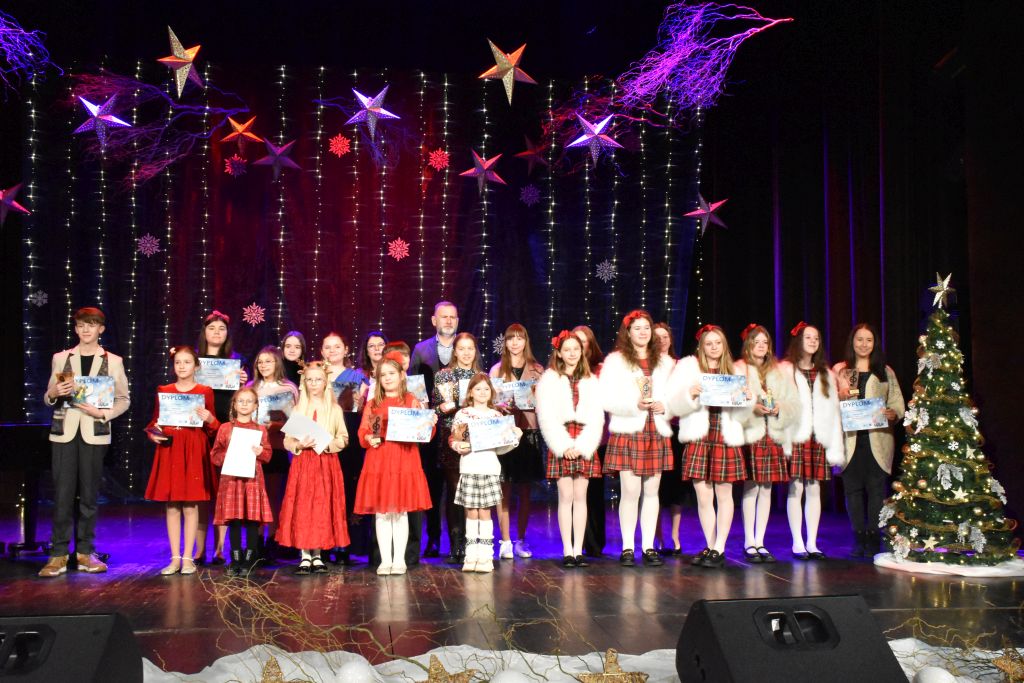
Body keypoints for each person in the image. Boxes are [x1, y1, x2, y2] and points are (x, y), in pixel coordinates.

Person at [39, 307, 130, 577]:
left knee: (89, 495)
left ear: (101, 329)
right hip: (64, 432)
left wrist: (103, 413)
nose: (86, 329)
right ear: (76, 329)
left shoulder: (113, 361)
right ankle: (58, 554)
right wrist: (54, 391)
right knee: (63, 494)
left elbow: (123, 399)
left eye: (91, 325)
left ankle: (84, 552)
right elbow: (48, 397)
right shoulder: (62, 358)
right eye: (81, 325)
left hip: (94, 432)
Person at [667, 324, 753, 569]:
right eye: (709, 343)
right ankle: (711, 545)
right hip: (699, 436)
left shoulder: (735, 371)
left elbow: (743, 415)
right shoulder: (689, 368)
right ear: (701, 346)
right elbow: (673, 406)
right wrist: (690, 394)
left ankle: (719, 547)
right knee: (703, 496)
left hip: (724, 435)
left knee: (724, 495)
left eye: (718, 343)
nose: (714, 347)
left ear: (724, 345)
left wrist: (747, 400)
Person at [599, 310, 674, 567]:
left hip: (656, 429)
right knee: (630, 491)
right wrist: (635, 405)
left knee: (652, 492)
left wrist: (666, 405)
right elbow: (606, 398)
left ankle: (649, 546)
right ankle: (628, 547)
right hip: (629, 430)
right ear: (628, 333)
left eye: (646, 327)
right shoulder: (615, 361)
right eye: (637, 328)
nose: (643, 332)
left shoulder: (665, 362)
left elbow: (675, 396)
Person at [355, 352, 435, 575]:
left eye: (391, 373)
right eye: (383, 375)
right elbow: (363, 432)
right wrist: (368, 438)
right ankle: (385, 560)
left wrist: (429, 423)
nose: (387, 378)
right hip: (379, 461)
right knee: (382, 513)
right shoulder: (373, 403)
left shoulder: (411, 400)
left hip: (404, 460)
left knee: (400, 512)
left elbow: (425, 433)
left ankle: (399, 559)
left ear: (401, 375)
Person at [144, 346, 220, 576]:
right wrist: (153, 433)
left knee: (190, 504)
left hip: (194, 448)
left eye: (187, 362)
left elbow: (214, 428)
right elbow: (155, 422)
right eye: (178, 362)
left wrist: (210, 418)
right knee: (172, 504)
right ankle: (175, 558)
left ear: (196, 366)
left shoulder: (205, 391)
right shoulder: (164, 390)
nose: (182, 366)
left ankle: (188, 558)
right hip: (171, 448)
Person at [833, 323, 905, 558]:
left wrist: (893, 413)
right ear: (852, 342)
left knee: (876, 491)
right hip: (850, 439)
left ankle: (874, 537)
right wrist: (839, 396)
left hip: (878, 439)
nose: (864, 344)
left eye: (869, 340)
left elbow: (897, 403)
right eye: (859, 339)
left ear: (875, 344)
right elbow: (827, 404)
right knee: (852, 491)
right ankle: (859, 537)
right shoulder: (841, 370)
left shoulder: (884, 371)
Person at [536, 331, 604, 568]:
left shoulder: (591, 380)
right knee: (565, 496)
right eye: (567, 350)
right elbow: (546, 416)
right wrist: (563, 445)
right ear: (559, 353)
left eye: (576, 349)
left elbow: (597, 417)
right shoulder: (550, 380)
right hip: (562, 439)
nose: (572, 353)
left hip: (583, 440)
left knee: (580, 496)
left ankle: (578, 550)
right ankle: (567, 550)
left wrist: (583, 446)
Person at [276, 362, 350, 574]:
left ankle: (317, 554)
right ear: (304, 383)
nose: (314, 383)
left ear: (325, 382)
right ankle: (304, 555)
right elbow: (287, 440)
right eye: (310, 380)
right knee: (303, 505)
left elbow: (343, 438)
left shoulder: (334, 409)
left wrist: (328, 444)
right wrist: (298, 445)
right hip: (304, 464)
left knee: (321, 506)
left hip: (325, 463)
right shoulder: (298, 409)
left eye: (318, 379)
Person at [781, 322, 844, 560]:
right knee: (796, 487)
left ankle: (812, 542)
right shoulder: (786, 371)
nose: (812, 341)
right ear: (798, 341)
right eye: (808, 337)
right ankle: (797, 541)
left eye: (816, 338)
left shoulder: (826, 373)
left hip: (818, 437)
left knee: (815, 488)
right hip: (797, 436)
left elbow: (833, 410)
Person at [735, 324, 798, 564]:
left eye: (765, 342)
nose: (761, 346)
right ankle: (749, 541)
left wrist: (780, 407)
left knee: (767, 488)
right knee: (751, 487)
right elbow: (733, 402)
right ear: (748, 344)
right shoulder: (739, 369)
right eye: (756, 341)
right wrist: (752, 408)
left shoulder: (778, 372)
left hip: (772, 434)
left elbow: (793, 403)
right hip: (752, 433)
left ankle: (760, 541)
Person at [448, 373, 522, 572]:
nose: (482, 392)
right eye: (478, 388)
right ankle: (471, 556)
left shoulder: (496, 416)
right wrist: (457, 446)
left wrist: (515, 438)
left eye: (486, 389)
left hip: (489, 468)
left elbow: (501, 448)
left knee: (485, 511)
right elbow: (454, 439)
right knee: (471, 511)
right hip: (469, 467)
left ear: (491, 392)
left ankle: (486, 556)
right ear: (470, 392)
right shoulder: (462, 414)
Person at [489, 323, 545, 560]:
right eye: (510, 338)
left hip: (529, 431)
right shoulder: (496, 370)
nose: (515, 342)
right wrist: (499, 406)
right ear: (505, 342)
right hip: (505, 433)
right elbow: (489, 402)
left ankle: (521, 539)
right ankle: (505, 541)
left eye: (519, 338)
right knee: (503, 489)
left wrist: (537, 401)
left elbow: (545, 402)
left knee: (525, 490)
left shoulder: (537, 370)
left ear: (526, 341)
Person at [196, 310, 248, 565]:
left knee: (224, 490)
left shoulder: (236, 362)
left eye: (222, 329)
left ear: (228, 334)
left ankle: (219, 549)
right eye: (212, 328)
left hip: (227, 430)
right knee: (201, 492)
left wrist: (244, 382)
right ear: (204, 332)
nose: (216, 333)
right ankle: (199, 549)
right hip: (199, 430)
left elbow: (245, 400)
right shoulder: (194, 362)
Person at [410, 301, 460, 558]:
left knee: (455, 485)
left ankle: (457, 540)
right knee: (432, 484)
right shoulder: (421, 350)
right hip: (430, 426)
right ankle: (433, 539)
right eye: (444, 316)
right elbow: (413, 385)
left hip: (458, 427)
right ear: (434, 320)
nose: (448, 321)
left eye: (452, 317)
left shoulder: (466, 347)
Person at [209, 387, 273, 576]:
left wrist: (260, 452)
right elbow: (215, 454)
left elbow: (268, 454)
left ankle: (250, 558)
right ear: (234, 404)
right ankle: (236, 558)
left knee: (252, 520)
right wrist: (228, 454)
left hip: (252, 480)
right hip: (231, 481)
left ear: (255, 406)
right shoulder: (225, 428)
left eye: (249, 401)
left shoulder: (260, 429)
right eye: (241, 401)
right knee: (234, 519)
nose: (244, 404)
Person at [431, 331, 481, 563]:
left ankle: (473, 543)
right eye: (461, 348)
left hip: (476, 440)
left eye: (470, 348)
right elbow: (434, 408)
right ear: (455, 351)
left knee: (472, 492)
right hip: (450, 438)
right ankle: (456, 544)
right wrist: (444, 407)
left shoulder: (480, 377)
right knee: (454, 492)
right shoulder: (444, 375)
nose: (466, 353)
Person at [247, 346, 299, 559]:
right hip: (254, 449)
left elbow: (297, 421)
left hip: (277, 448)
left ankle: (275, 537)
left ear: (277, 363)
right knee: (257, 496)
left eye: (268, 361)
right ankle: (258, 540)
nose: (263, 365)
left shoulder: (288, 388)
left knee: (275, 496)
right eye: (260, 362)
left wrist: (278, 425)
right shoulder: (250, 387)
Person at [573, 325, 607, 557]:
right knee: (574, 493)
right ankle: (575, 543)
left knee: (594, 492)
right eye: (576, 342)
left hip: (597, 439)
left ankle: (594, 542)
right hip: (572, 438)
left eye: (584, 342)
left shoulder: (600, 370)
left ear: (590, 345)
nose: (579, 346)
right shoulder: (564, 370)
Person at [652, 322, 684, 555]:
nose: (662, 341)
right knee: (655, 488)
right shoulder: (647, 366)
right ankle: (657, 536)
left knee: (675, 488)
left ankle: (674, 536)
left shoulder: (681, 366)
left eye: (665, 336)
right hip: (654, 430)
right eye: (657, 337)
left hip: (676, 430)